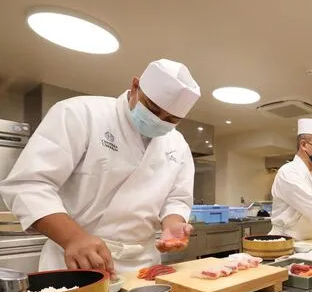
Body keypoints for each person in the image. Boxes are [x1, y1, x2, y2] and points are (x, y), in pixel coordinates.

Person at [0, 59, 201, 276]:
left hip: (143, 264)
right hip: (77, 261)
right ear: (135, 86)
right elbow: (29, 184)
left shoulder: (177, 144)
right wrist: (73, 238)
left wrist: (172, 224)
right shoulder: (80, 113)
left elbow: (177, 199)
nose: (158, 121)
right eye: (152, 109)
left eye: (171, 119)